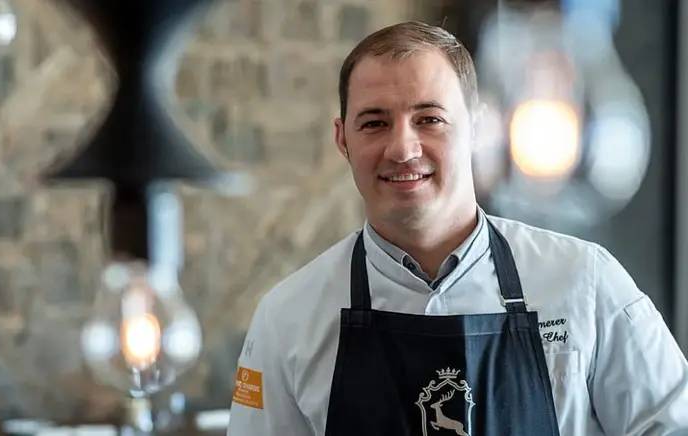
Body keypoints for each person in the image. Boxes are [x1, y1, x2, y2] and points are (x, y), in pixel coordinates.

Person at [225, 21, 688, 436]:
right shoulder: (286, 319)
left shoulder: (586, 282)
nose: (403, 148)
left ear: (477, 128)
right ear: (343, 139)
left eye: (429, 119)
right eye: (374, 122)